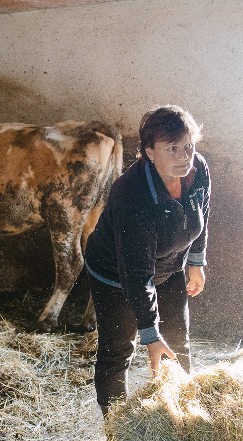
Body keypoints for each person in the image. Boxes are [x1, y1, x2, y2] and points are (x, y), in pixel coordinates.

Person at [84, 104, 211, 416]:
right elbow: (137, 273)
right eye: (172, 148)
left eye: (188, 146)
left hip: (170, 266)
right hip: (116, 274)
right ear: (149, 152)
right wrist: (150, 333)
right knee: (118, 351)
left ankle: (184, 421)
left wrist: (196, 261)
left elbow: (202, 215)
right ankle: (116, 431)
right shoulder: (131, 195)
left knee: (178, 342)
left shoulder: (198, 171)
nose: (185, 156)